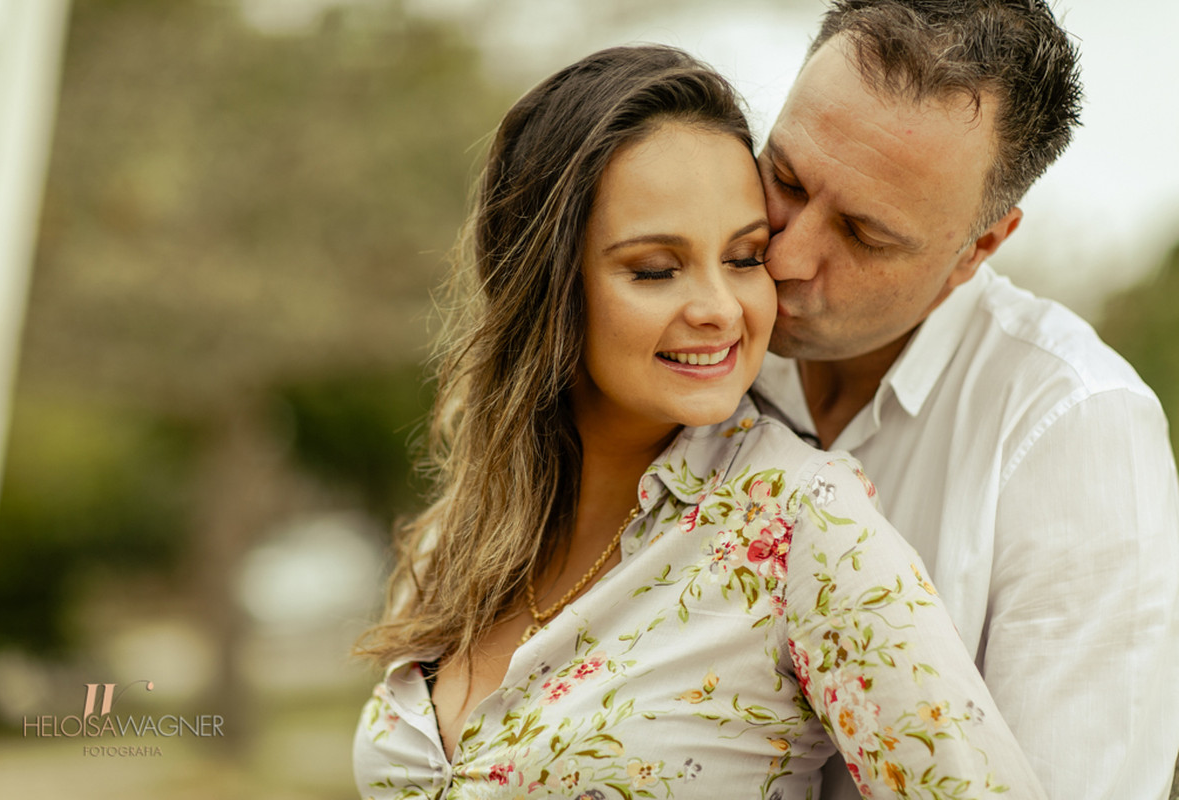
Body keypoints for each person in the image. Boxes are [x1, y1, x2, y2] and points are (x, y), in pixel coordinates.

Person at [353, 44, 1047, 799]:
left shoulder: (804, 527)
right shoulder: (460, 532)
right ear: (545, 284)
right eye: (656, 269)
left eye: (746, 257)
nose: (720, 308)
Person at [751, 2, 1179, 798]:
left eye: (865, 235)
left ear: (976, 250)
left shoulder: (1075, 427)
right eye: (784, 177)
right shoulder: (676, 334)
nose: (785, 254)